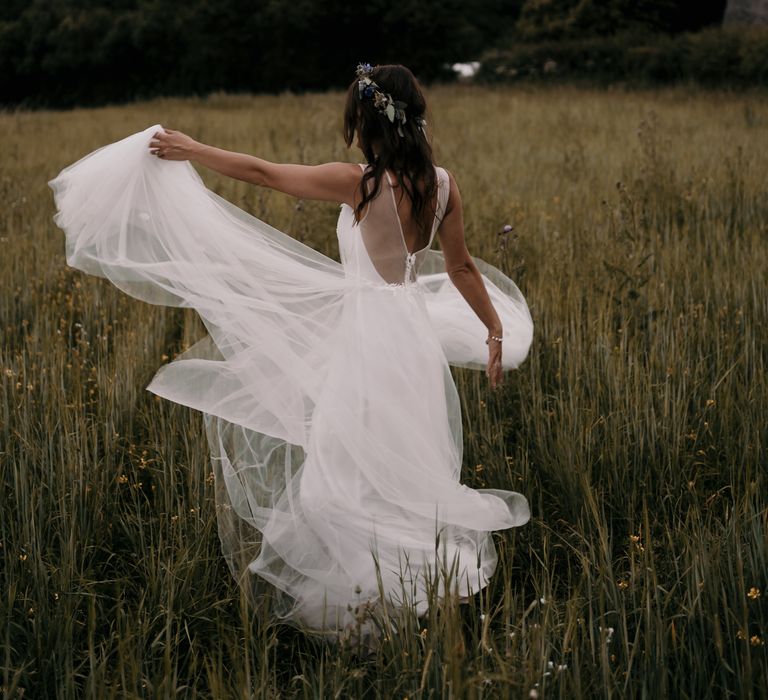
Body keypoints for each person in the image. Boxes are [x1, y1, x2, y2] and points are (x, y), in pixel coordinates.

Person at [49, 63, 533, 650]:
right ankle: (409, 587)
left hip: (366, 337)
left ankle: (371, 600)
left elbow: (264, 173)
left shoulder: (360, 182)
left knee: (343, 472)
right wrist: (493, 332)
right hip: (412, 336)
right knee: (404, 460)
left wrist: (193, 148)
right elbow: (459, 268)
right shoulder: (443, 185)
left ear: (366, 123)